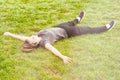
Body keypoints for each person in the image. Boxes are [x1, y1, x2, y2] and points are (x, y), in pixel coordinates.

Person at [4, 11, 115, 64]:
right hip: (68, 32)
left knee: (71, 22)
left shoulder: (37, 36)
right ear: (35, 43)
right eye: (32, 38)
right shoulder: (44, 42)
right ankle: (105, 28)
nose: (31, 36)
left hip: (59, 27)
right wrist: (62, 57)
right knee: (87, 29)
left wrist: (10, 34)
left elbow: (22, 38)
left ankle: (78, 18)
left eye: (30, 37)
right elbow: (52, 49)